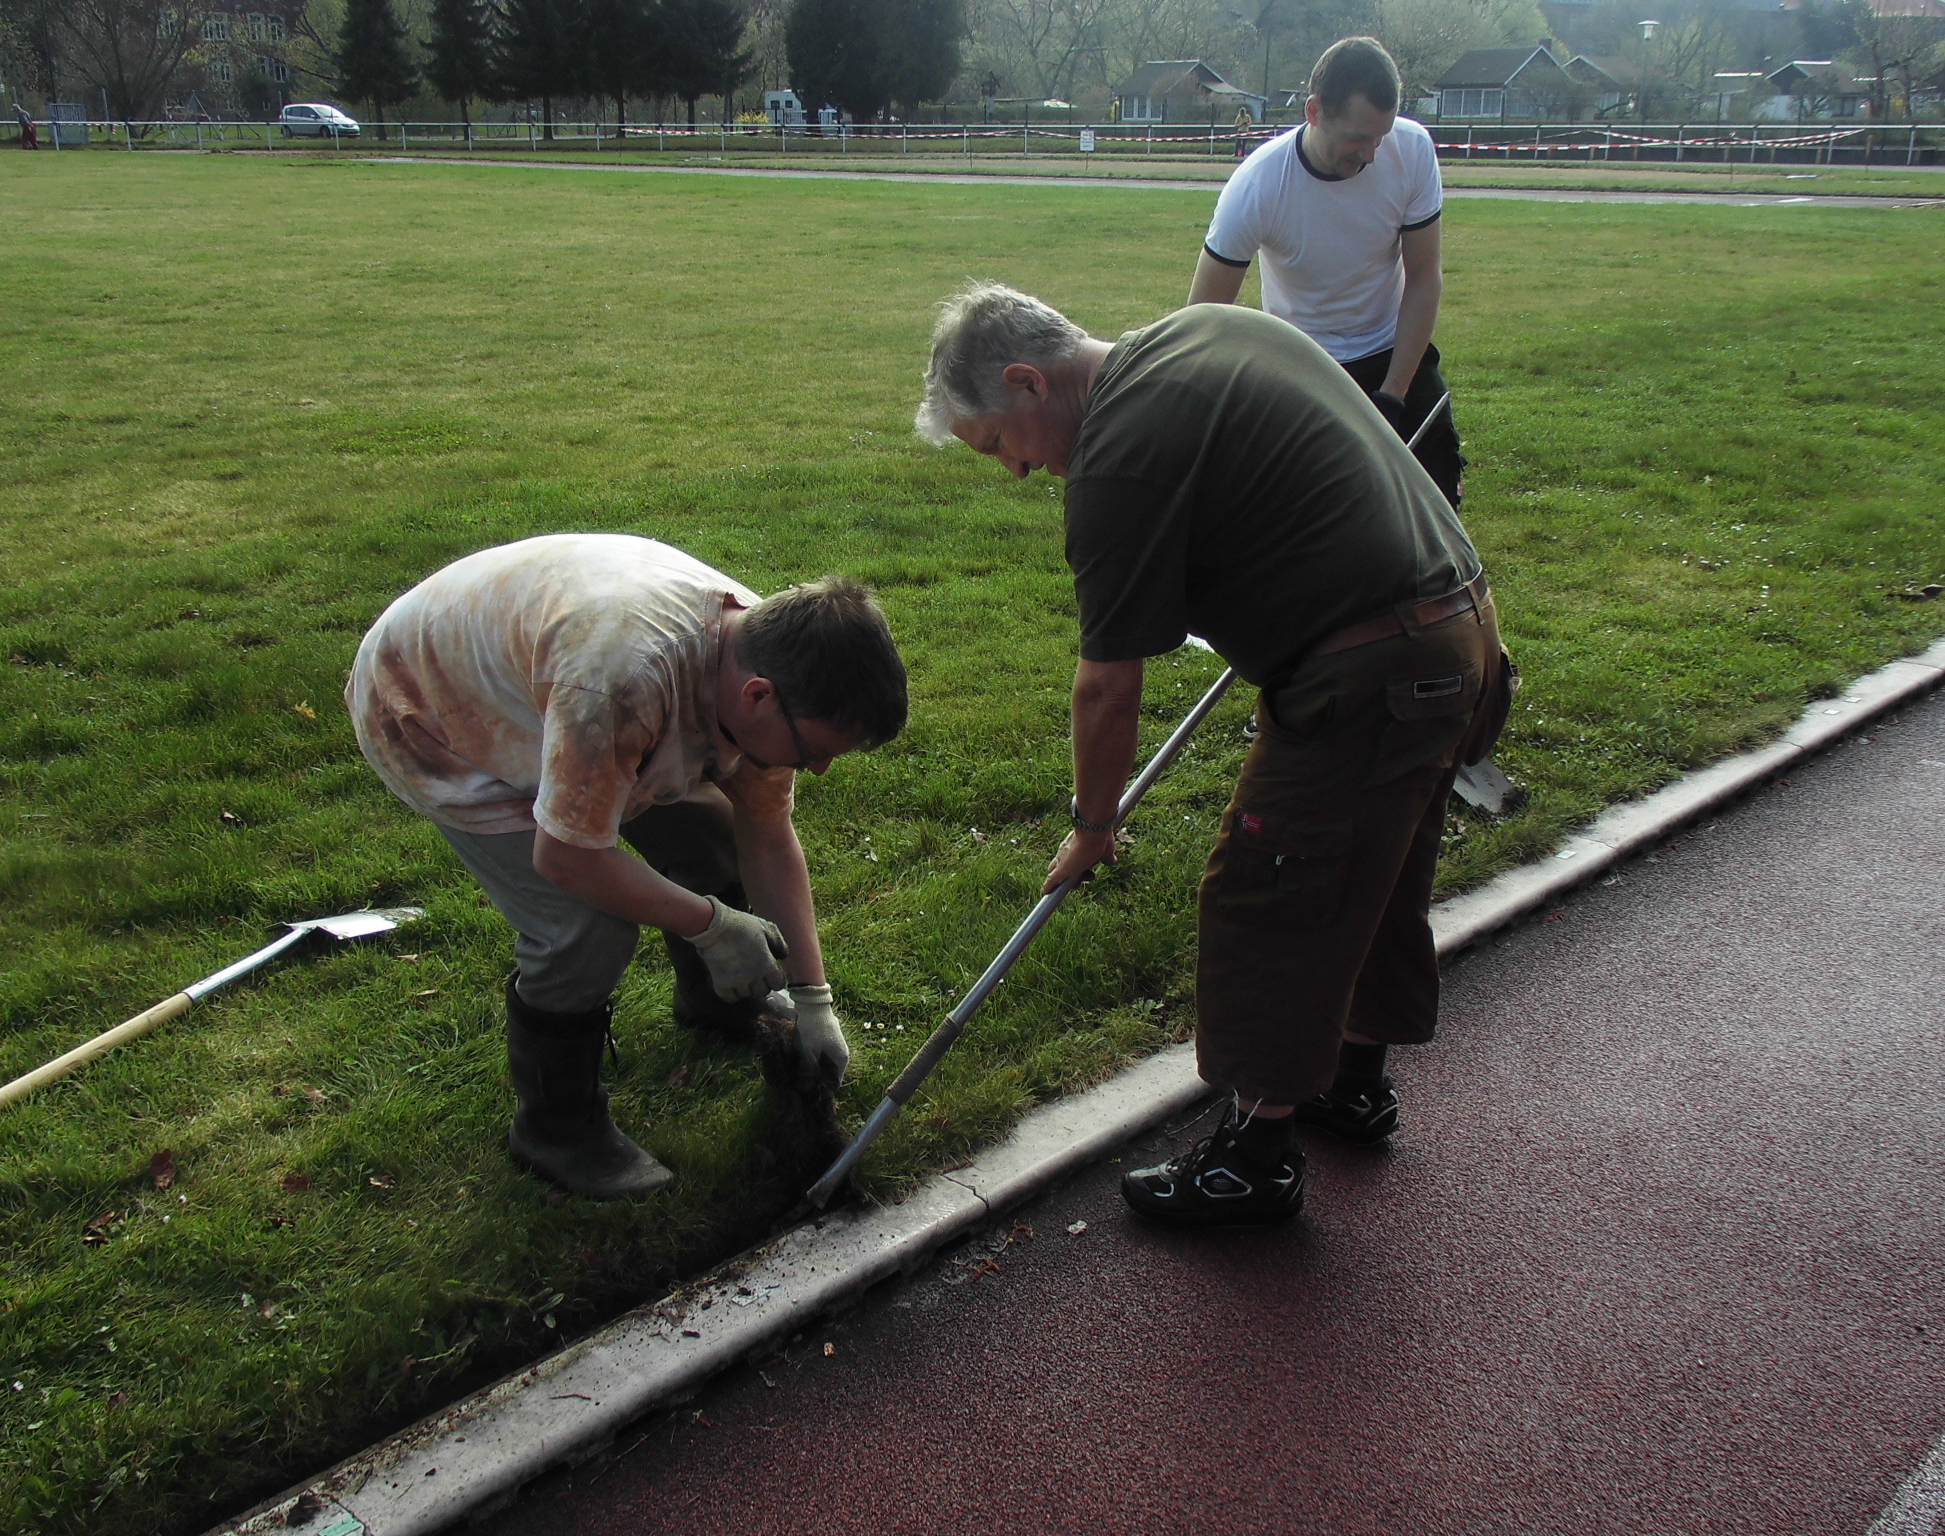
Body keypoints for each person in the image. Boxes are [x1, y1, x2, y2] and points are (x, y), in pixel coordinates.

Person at [916, 283, 1510, 1229]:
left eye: (999, 445)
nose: (1018, 473)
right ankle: (1349, 1087)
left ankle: (1255, 1161)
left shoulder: (1114, 461)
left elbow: (1107, 687)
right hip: (1459, 636)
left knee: (1271, 892)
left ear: (1027, 382)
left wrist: (1094, 826)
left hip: (1375, 669)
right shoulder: (1204, 331)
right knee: (1369, 873)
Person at [346, 534, 908, 1201]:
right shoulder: (623, 684)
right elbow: (566, 857)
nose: (818, 768)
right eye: (814, 749)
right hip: (436, 714)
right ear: (756, 697)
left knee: (714, 842)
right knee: (585, 928)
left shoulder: (769, 660)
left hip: (560, 687)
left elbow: (766, 834)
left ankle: (715, 1000)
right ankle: (556, 1128)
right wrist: (710, 923)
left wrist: (814, 1001)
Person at [1186, 37, 1463, 511]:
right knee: (1307, 509)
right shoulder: (1258, 186)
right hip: (1301, 361)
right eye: (1358, 138)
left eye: (1380, 136)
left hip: (1391, 351)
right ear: (1314, 112)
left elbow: (1423, 278)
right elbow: (1201, 320)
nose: (1373, 153)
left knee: (1435, 491)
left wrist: (1392, 398)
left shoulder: (1412, 149)